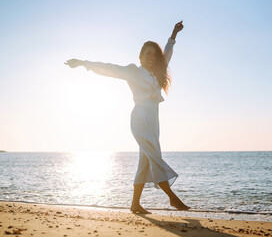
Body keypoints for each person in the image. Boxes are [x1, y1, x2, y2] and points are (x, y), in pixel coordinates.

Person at [65, 21, 190, 214]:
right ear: (140, 56)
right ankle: (172, 198)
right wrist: (84, 63)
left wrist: (174, 33)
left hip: (154, 122)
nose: (151, 57)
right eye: (147, 53)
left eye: (153, 54)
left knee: (145, 162)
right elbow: (109, 67)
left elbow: (167, 52)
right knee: (155, 157)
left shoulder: (157, 73)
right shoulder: (133, 71)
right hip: (140, 120)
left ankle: (135, 205)